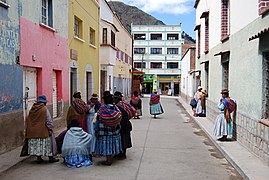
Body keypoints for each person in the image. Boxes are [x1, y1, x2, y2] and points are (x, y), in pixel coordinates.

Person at [25, 95, 58, 163]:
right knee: (49, 143)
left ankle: (39, 158)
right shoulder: (44, 109)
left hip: (33, 132)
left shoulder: (32, 109)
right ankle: (51, 158)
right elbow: (48, 121)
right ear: (44, 102)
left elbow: (28, 119)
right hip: (42, 131)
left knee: (36, 145)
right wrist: (50, 129)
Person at [94, 91, 122, 165]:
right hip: (114, 130)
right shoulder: (115, 107)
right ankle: (111, 158)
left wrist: (96, 129)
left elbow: (98, 119)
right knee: (112, 144)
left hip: (104, 131)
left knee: (106, 145)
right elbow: (119, 116)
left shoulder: (102, 108)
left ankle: (108, 160)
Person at [113, 91, 132, 160]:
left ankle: (122, 154)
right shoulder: (123, 104)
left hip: (123, 124)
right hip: (126, 124)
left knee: (123, 139)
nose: (113, 100)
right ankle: (121, 153)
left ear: (117, 99)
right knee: (125, 139)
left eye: (114, 98)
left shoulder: (118, 106)